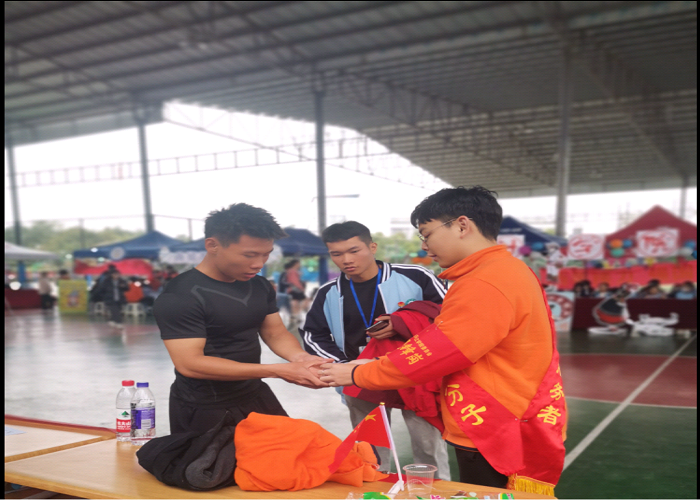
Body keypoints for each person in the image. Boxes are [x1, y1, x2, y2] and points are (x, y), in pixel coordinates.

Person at [319, 187, 567, 495]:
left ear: (462, 225)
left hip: (495, 419)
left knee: (487, 492)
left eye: (427, 234)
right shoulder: (508, 270)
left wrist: (358, 372)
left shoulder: (483, 281)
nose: (425, 246)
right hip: (510, 409)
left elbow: (437, 353)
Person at [152, 203, 327, 435]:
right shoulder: (181, 295)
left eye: (266, 254)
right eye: (249, 255)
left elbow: (275, 333)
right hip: (205, 405)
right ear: (212, 245)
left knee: (294, 451)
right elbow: (190, 363)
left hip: (254, 394)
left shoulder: (260, 285)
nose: (258, 264)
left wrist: (300, 357)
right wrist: (278, 370)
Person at [302, 220, 451, 480]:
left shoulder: (416, 276)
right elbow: (314, 335)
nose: (346, 260)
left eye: (354, 250)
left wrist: (403, 322)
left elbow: (448, 316)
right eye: (337, 254)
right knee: (370, 449)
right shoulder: (328, 292)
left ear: (372, 247)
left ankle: (432, 492)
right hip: (359, 376)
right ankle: (375, 489)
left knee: (428, 444)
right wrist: (344, 366)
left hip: (414, 373)